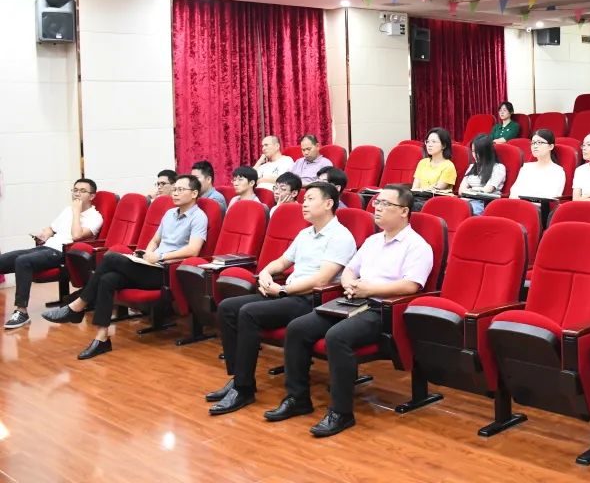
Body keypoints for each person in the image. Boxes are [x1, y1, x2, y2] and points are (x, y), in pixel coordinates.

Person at [273, 184, 433, 437]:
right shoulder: (372, 241)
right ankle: (298, 398)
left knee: (337, 337)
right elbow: (349, 269)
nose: (377, 208)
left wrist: (370, 289)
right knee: (298, 328)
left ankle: (341, 412)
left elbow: (411, 285)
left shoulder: (417, 245)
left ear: (404, 211)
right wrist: (349, 283)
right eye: (377, 203)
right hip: (353, 300)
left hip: (382, 310)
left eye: (385, 204)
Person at [205, 182, 356, 415]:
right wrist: (266, 273)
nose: (304, 204)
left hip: (311, 299)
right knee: (227, 307)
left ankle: (244, 389)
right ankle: (238, 379)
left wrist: (284, 290)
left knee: (248, 313)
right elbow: (283, 262)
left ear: (328, 204)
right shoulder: (306, 233)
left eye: (310, 199)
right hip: (288, 292)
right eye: (304, 199)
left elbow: (322, 279)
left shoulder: (340, 236)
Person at [41, 175, 208, 358]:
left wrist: (160, 256)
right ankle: (102, 338)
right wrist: (147, 253)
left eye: (180, 190)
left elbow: (193, 250)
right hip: (149, 264)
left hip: (166, 271)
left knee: (111, 258)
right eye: (174, 189)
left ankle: (78, 305)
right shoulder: (169, 214)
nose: (175, 193)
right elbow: (155, 240)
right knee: (108, 279)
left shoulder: (199, 217)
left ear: (194, 193)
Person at [1, 178, 104, 330]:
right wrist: (44, 235)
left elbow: (76, 236)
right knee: (3, 260)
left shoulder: (95, 217)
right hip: (46, 247)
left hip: (62, 253)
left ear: (92, 196)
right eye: (75, 190)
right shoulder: (67, 210)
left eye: (82, 191)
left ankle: (21, 312)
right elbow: (51, 228)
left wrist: (76, 212)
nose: (77, 194)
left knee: (23, 261)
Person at [508, 129, 566, 199]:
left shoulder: (557, 171)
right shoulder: (526, 167)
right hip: (519, 203)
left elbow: (551, 197)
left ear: (551, 146)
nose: (535, 146)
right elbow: (514, 192)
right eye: (533, 143)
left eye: (539, 142)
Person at [458, 134, 507, 214]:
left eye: (478, 152)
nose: (475, 155)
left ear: (487, 152)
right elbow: (461, 191)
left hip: (483, 203)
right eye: (473, 151)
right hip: (465, 201)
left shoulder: (498, 168)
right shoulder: (472, 167)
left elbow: (487, 190)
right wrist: (472, 191)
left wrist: (469, 190)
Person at [412, 127, 457, 193]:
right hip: (418, 196)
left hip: (435, 197)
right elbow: (414, 188)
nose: (429, 145)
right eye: (427, 141)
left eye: (434, 142)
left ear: (444, 145)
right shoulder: (422, 162)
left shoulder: (448, 166)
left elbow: (437, 189)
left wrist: (421, 190)